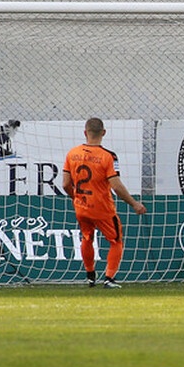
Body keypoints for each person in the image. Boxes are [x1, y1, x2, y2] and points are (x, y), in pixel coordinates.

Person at [63, 117, 146, 289]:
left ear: (85, 133)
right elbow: (116, 185)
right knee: (116, 240)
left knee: (87, 237)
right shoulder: (108, 156)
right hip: (102, 207)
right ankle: (109, 278)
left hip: (81, 207)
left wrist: (76, 198)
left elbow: (65, 184)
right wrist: (134, 203)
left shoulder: (72, 153)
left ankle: (90, 276)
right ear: (104, 133)